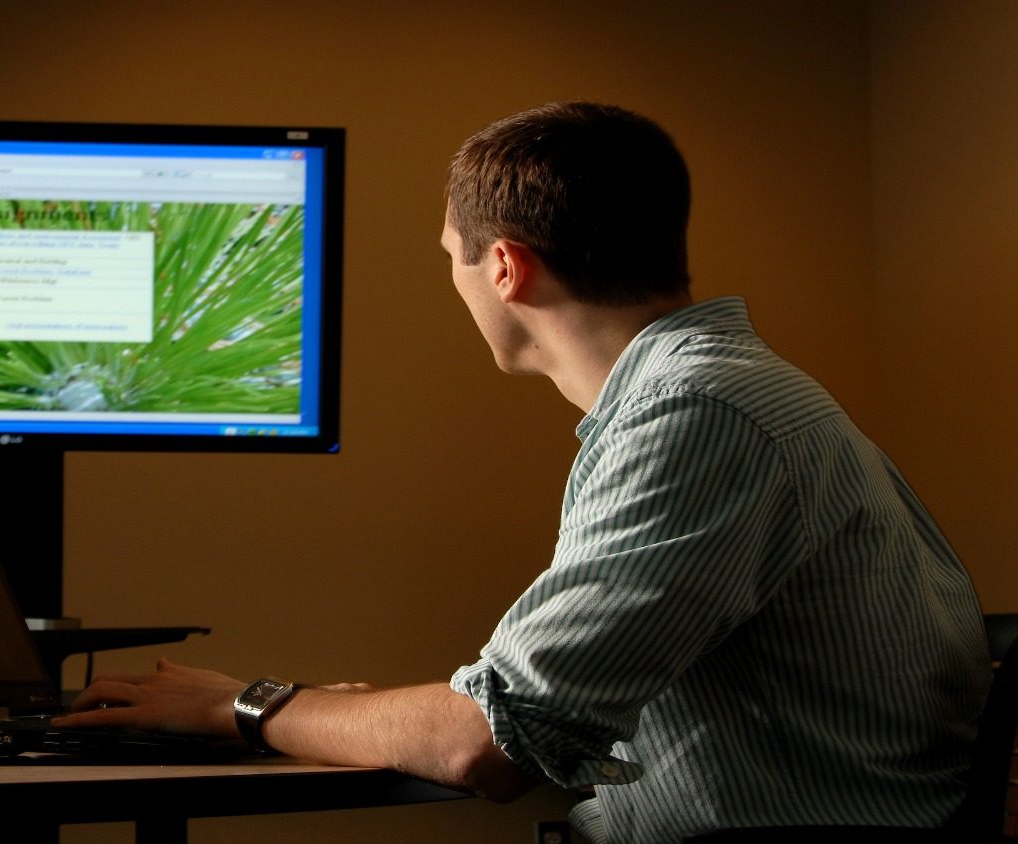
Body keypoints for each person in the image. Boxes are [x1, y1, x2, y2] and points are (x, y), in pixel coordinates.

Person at [51, 102, 990, 843]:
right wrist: (348, 713)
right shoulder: (715, 395)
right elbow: (517, 701)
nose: (455, 280)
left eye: (451, 261)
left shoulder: (699, 414)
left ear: (505, 267)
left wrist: (239, 704)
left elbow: (491, 744)